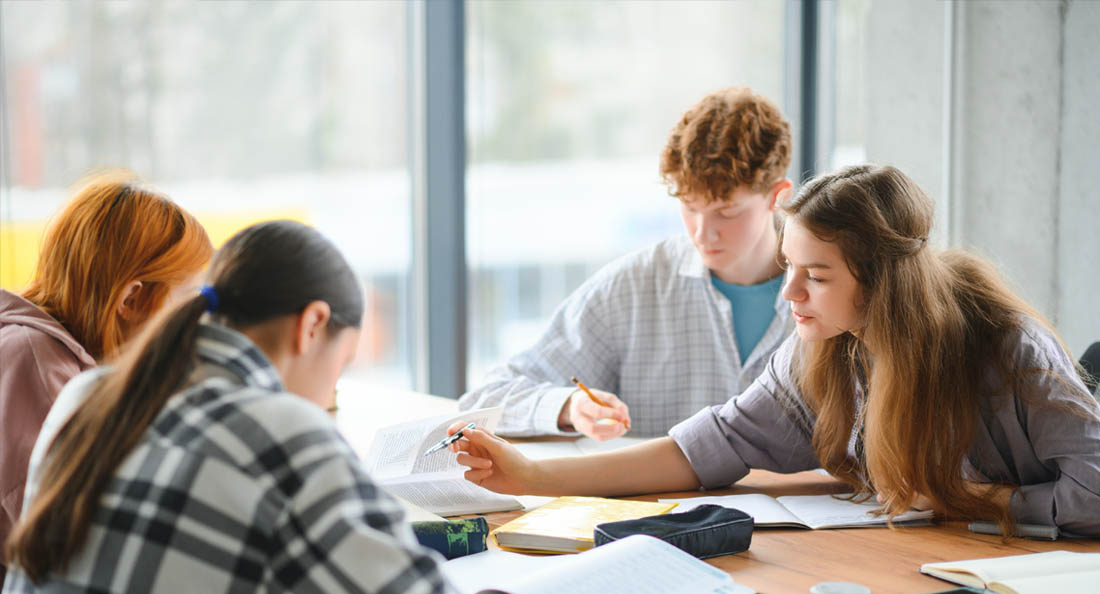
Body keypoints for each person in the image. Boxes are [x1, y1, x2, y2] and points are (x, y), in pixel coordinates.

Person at [447, 165, 1100, 537]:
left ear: (883, 284)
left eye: (816, 276)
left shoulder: (1007, 348)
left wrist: (963, 497)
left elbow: (1094, 495)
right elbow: (705, 449)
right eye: (790, 265)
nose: (790, 292)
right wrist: (533, 478)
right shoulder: (824, 351)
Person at [3, 221, 449, 592]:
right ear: (312, 325)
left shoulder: (89, 396)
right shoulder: (284, 433)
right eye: (342, 365)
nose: (331, 393)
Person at [459, 87, 795, 440]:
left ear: (778, 195)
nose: (703, 233)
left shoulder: (829, 287)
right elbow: (486, 400)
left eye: (726, 212)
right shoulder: (632, 289)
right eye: (690, 207)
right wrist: (569, 407)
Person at [0, 172, 213, 581]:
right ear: (131, 299)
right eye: (187, 299)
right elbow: (78, 541)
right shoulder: (38, 364)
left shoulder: (61, 355)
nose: (194, 321)